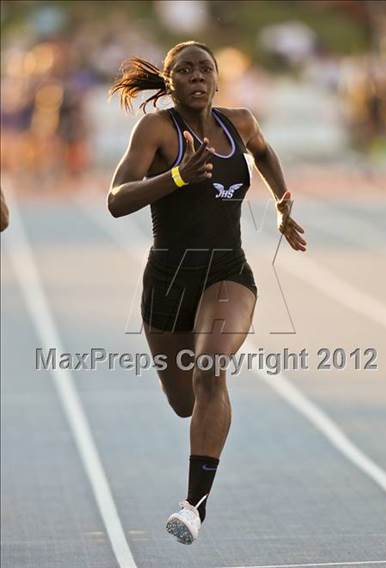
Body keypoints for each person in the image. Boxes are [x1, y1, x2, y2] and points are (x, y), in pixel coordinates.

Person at [108, 40, 306, 545]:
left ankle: (194, 505)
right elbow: (115, 199)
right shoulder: (155, 131)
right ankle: (199, 431)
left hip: (227, 272)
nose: (197, 76)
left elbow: (263, 152)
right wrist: (176, 176)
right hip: (168, 280)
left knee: (211, 368)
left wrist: (281, 206)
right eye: (185, 70)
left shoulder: (240, 123)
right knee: (182, 402)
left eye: (205, 69)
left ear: (217, 79)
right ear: (170, 82)